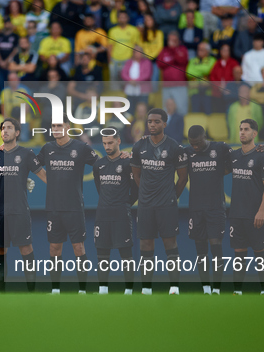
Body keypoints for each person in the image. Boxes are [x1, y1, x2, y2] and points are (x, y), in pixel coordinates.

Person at [0, 118, 46, 292]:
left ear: (17, 133)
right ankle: (1, 292)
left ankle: (31, 291)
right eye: (3, 128)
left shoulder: (26, 154)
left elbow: (43, 175)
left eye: (9, 128)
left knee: (26, 249)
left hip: (19, 210)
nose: (5, 131)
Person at [130, 108, 188, 295]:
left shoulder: (174, 147)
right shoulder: (139, 146)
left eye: (156, 121)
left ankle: (174, 287)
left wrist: (172, 197)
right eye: (149, 122)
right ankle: (146, 288)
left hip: (166, 205)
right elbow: (136, 175)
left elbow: (183, 178)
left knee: (170, 244)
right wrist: (146, 193)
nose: (152, 125)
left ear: (164, 123)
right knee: (145, 245)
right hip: (145, 204)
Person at [36, 121, 98, 294]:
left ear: (67, 127)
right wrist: (47, 179)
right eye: (53, 126)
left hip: (74, 206)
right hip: (53, 207)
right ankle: (55, 289)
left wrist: (121, 155)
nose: (55, 129)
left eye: (59, 126)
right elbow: (31, 163)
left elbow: (101, 164)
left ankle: (82, 290)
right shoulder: (47, 148)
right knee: (54, 247)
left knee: (78, 246)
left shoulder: (81, 147)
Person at [184, 125, 233, 294]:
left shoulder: (220, 148)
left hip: (215, 207)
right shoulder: (187, 151)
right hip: (196, 208)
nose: (195, 147)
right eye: (192, 144)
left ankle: (217, 288)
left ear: (204, 137)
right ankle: (205, 288)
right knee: (201, 249)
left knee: (216, 246)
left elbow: (240, 155)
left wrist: (259, 148)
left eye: (197, 143)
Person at [229, 119, 264, 295]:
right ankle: (238, 291)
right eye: (240, 129)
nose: (242, 132)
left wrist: (261, 211)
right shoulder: (234, 156)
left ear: (254, 133)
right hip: (237, 214)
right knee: (239, 253)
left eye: (246, 129)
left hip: (255, 214)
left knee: (260, 253)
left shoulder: (263, 156)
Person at [93, 131, 138, 295]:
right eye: (104, 143)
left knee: (125, 252)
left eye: (110, 143)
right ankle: (103, 290)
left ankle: (128, 291)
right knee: (102, 252)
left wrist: (125, 203)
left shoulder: (127, 163)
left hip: (121, 215)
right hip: (102, 214)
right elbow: (100, 187)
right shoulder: (99, 165)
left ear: (119, 141)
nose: (107, 147)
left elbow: (137, 189)